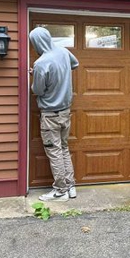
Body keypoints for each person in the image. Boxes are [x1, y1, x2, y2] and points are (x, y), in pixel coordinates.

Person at [29, 27, 79, 202]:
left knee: (55, 152)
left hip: (50, 115)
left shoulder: (41, 63)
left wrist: (34, 78)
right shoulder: (63, 52)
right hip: (65, 113)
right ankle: (70, 186)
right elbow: (75, 64)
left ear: (36, 42)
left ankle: (60, 191)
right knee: (64, 149)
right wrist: (61, 74)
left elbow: (38, 90)